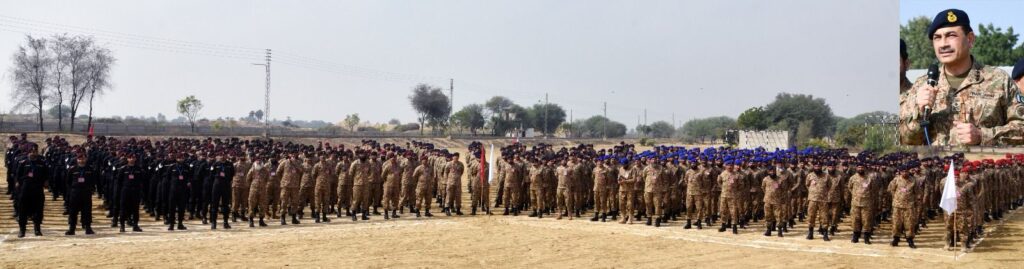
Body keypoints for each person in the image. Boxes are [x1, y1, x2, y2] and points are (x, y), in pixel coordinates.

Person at [899, 9, 1024, 146]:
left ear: (970, 39)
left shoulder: (999, 80)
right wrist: (919, 112)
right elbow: (903, 141)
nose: (943, 44)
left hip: (982, 165)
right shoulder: (921, 85)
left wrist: (983, 136)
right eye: (937, 38)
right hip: (935, 166)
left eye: (951, 35)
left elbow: (1021, 128)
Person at [118, 154, 147, 233]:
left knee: (135, 209)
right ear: (127, 159)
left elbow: (142, 179)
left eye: (133, 158)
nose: (131, 159)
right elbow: (119, 181)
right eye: (130, 158)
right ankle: (122, 225)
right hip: (126, 190)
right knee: (123, 209)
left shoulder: (139, 169)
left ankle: (135, 225)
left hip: (136, 190)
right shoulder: (123, 169)